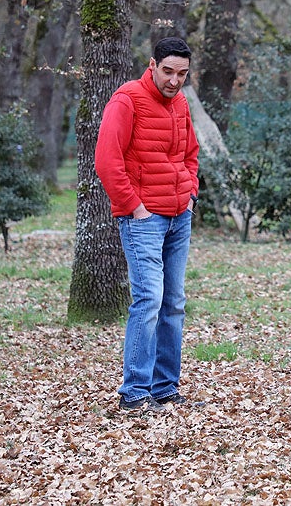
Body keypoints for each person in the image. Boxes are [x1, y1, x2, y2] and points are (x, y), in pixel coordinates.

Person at [95, 36, 200, 413]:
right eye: (168, 71)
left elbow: (190, 153)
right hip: (144, 219)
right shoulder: (127, 99)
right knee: (149, 301)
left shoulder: (181, 103)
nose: (174, 80)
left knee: (173, 303)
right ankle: (135, 393)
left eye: (182, 74)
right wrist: (134, 208)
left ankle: (165, 388)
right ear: (152, 64)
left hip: (179, 217)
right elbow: (107, 161)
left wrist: (190, 192)